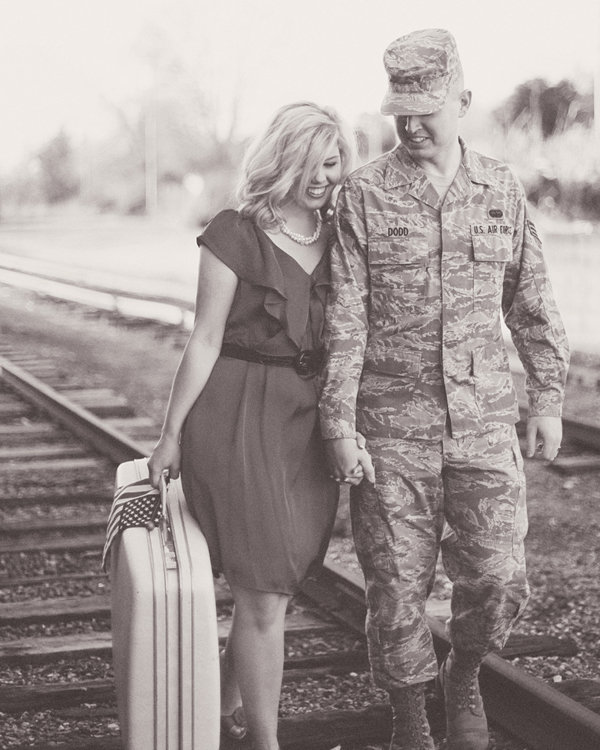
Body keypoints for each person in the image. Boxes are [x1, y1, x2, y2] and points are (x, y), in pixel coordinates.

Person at [319, 29, 569, 750]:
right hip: (391, 430)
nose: (411, 122)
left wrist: (546, 397)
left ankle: (463, 675)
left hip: (484, 423)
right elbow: (345, 318)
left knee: (497, 574)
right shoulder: (363, 195)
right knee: (395, 587)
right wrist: (339, 424)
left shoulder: (501, 188)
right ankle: (409, 715)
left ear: (462, 101)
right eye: (400, 107)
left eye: (426, 107)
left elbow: (532, 300)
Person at [147, 102, 365, 750]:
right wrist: (169, 434)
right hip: (238, 412)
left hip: (306, 421)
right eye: (317, 163)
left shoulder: (344, 234)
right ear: (287, 158)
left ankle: (216, 707)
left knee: (277, 581)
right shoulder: (234, 233)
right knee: (266, 592)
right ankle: (263, 741)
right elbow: (205, 339)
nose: (329, 176)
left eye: (337, 162)